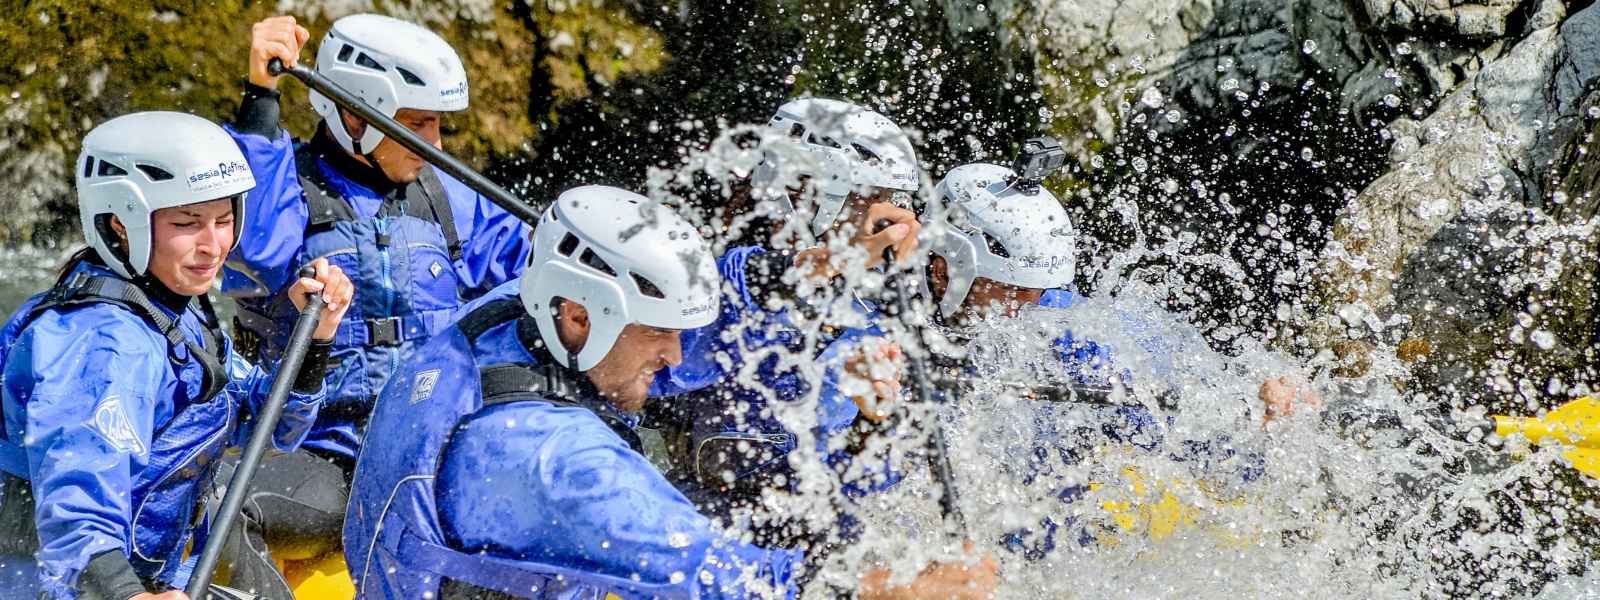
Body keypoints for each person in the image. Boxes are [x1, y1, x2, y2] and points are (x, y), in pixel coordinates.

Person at [345, 185, 997, 599]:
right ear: (579, 316)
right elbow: (732, 582)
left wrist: (801, 273)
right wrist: (898, 591)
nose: (678, 357)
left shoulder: (505, 316)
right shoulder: (554, 461)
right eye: (660, 333)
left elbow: (713, 330)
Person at [221, 13, 530, 590]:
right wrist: (260, 96)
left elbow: (535, 266)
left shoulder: (444, 197)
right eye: (418, 125)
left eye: (438, 125)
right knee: (225, 503)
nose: (435, 145)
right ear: (356, 117)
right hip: (328, 460)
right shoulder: (282, 189)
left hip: (434, 456)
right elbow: (258, 244)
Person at [0, 112, 353, 599]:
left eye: (224, 220)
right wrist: (129, 595)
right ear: (120, 222)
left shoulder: (174, 309)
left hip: (145, 574)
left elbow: (267, 427)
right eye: (187, 223)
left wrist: (315, 339)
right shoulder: (103, 344)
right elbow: (75, 508)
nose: (213, 246)